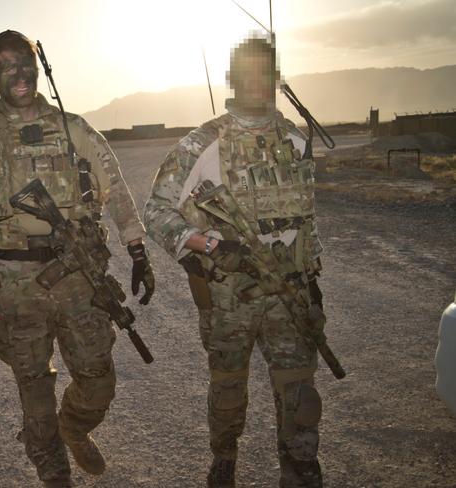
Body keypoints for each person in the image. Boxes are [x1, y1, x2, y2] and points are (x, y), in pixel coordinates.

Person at [0, 30, 154, 488]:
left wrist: (137, 247)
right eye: (6, 67)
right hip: (17, 285)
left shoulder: (74, 129)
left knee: (98, 380)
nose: (19, 73)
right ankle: (50, 463)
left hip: (79, 276)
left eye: (25, 63)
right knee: (34, 381)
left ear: (37, 68)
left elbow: (115, 188)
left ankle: (72, 427)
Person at [144, 36, 325, 488]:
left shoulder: (297, 141)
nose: (255, 82)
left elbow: (305, 218)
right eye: (245, 73)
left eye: (264, 72)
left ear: (276, 78)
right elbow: (156, 212)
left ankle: (300, 468)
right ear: (231, 79)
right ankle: (224, 454)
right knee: (228, 390)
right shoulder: (203, 143)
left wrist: (313, 284)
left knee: (299, 394)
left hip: (290, 293)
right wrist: (206, 245)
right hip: (229, 295)